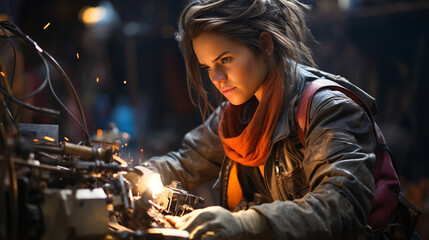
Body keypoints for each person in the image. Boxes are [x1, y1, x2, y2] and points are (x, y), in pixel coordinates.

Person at [130, 0, 418, 239]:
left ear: (265, 44)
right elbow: (185, 161)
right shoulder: (240, 111)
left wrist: (246, 223)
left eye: (226, 59)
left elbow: (342, 206)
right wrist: (137, 176)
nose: (216, 79)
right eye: (207, 67)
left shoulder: (328, 109)